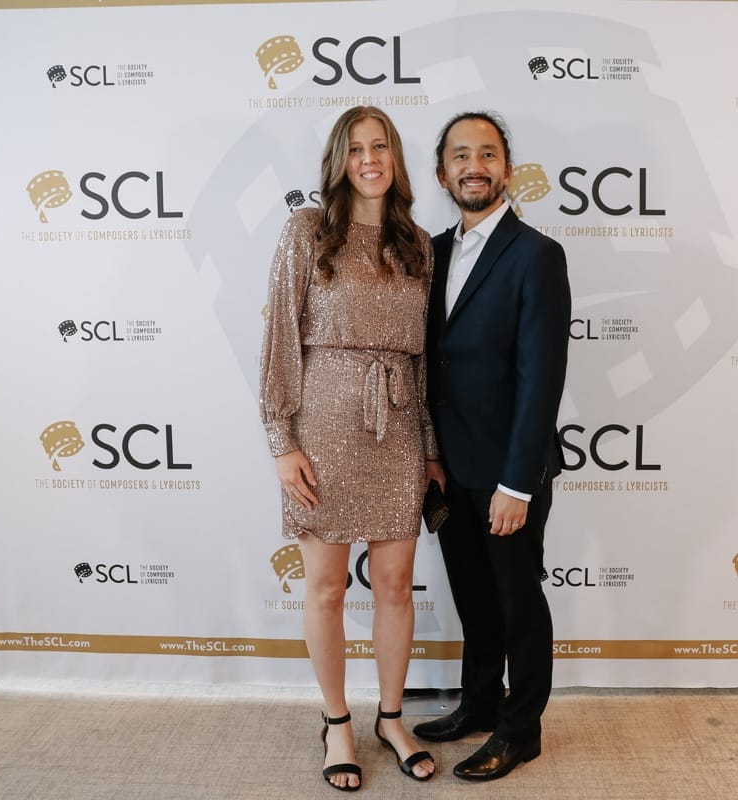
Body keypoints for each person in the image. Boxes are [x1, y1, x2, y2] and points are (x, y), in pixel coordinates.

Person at [259, 106, 437, 791]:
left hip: (398, 429)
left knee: (394, 585)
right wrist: (282, 440)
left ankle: (390, 718)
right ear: (339, 161)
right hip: (323, 429)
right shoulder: (307, 231)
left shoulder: (418, 245)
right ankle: (336, 722)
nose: (369, 159)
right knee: (328, 586)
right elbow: (280, 336)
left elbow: (424, 360)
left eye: (380, 146)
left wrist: (429, 448)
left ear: (396, 157)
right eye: (356, 148)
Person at [415, 111, 571, 781]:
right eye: (460, 155)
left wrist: (518, 483)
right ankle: (479, 703)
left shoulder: (536, 255)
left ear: (507, 169)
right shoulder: (430, 253)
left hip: (509, 472)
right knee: (474, 600)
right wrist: (430, 457)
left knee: (517, 605)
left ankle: (520, 729)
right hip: (450, 469)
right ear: (441, 173)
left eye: (486, 154)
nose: (473, 166)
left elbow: (542, 378)